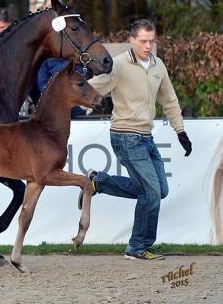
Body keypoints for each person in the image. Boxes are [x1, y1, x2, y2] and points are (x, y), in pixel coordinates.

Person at [80, 19, 193, 260]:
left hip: (146, 137)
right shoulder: (118, 66)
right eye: (142, 41)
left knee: (159, 190)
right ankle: (138, 247)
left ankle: (98, 182)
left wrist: (180, 131)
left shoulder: (158, 65)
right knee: (151, 191)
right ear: (131, 40)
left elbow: (170, 101)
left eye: (151, 41)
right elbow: (91, 88)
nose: (148, 45)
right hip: (125, 136)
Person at [36, 0, 87, 118]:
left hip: (73, 92)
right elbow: (41, 80)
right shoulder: (40, 37)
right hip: (50, 96)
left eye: (56, 8)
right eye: (49, 8)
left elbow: (81, 69)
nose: (53, 12)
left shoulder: (71, 34)